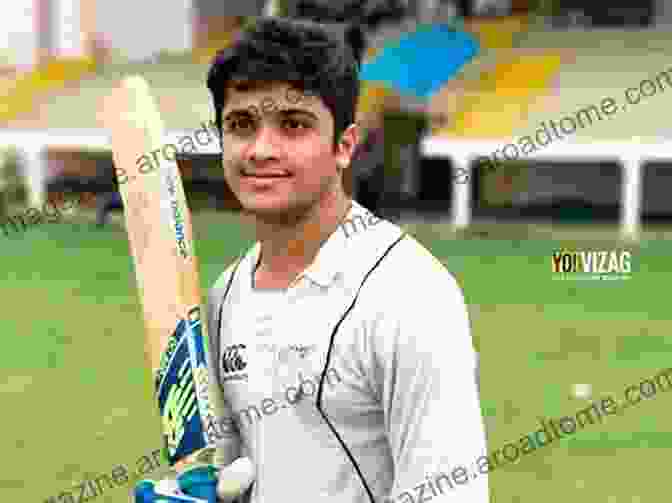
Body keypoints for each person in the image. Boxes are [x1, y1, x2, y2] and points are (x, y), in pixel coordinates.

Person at [137, 16, 489, 503]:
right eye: (241, 125)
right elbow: (243, 475)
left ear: (343, 145)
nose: (262, 149)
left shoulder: (410, 296)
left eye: (293, 125)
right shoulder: (224, 297)